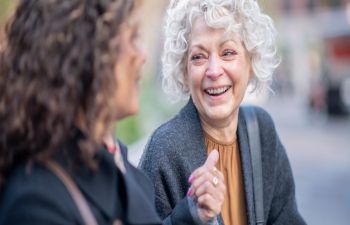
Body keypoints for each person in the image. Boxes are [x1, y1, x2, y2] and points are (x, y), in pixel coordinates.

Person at [139, 0, 307, 225]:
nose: (214, 70)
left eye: (228, 52)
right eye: (198, 56)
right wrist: (191, 215)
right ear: (184, 70)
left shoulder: (261, 131)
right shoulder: (164, 149)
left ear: (250, 61)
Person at [0, 0, 162, 224]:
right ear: (86, 54)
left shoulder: (117, 165)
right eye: (132, 38)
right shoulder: (36, 201)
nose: (142, 55)